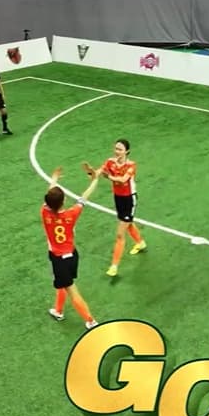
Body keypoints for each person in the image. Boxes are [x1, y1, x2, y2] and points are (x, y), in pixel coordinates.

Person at [42, 166, 101, 330]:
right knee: (62, 283)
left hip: (58, 259)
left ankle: (91, 321)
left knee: (72, 291)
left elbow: (49, 197)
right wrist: (94, 180)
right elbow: (84, 197)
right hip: (72, 256)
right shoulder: (71, 214)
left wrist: (54, 179)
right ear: (63, 202)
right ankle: (58, 310)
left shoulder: (45, 213)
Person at [84, 139, 147, 277]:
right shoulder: (110, 162)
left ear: (127, 151)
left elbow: (123, 180)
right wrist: (91, 172)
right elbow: (97, 174)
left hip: (129, 199)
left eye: (120, 149)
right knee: (128, 223)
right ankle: (140, 243)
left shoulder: (131, 165)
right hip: (118, 198)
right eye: (116, 148)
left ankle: (114, 266)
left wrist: (109, 176)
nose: (117, 151)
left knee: (120, 234)